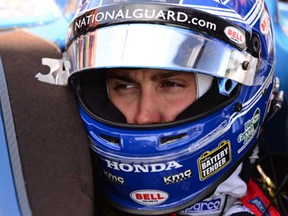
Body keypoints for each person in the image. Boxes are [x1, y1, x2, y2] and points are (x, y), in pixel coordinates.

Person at [36, 0, 283, 215]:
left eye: (171, 84)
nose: (144, 116)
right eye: (124, 86)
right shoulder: (59, 196)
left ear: (231, 85)